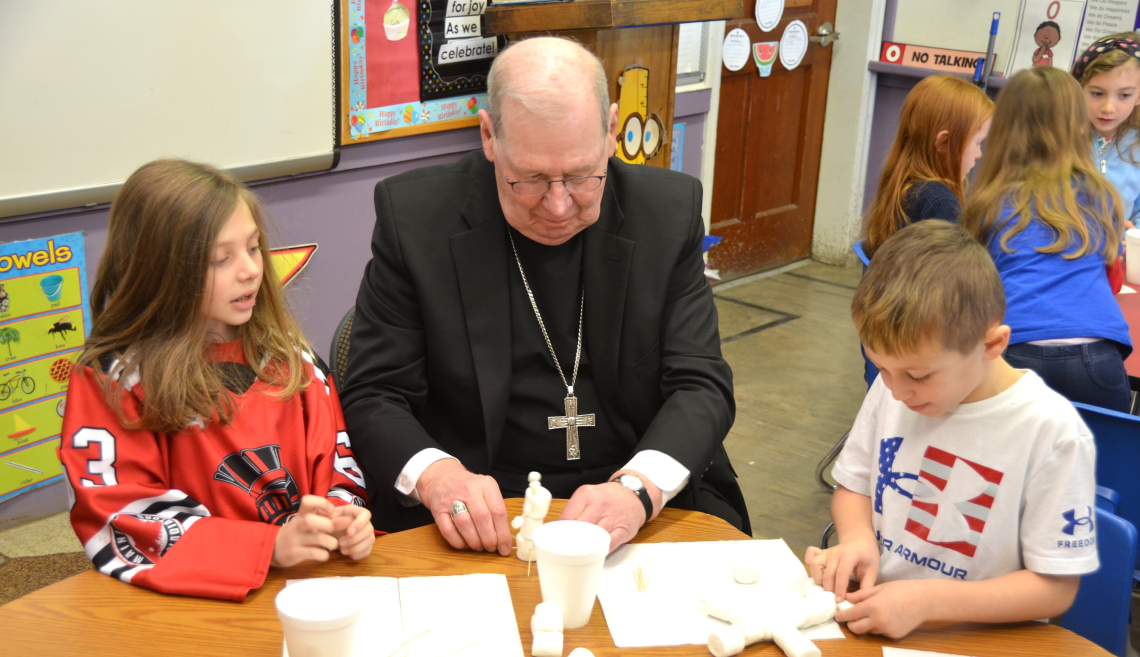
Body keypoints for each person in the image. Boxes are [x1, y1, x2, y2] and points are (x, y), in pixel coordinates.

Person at [340, 36, 748, 555]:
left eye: (580, 175)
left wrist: (638, 489)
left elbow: (702, 384)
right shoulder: (416, 218)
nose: (558, 206)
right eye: (529, 180)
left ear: (611, 133)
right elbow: (375, 391)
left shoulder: (667, 214)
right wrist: (437, 475)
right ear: (490, 138)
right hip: (481, 502)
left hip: (636, 489)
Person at [60, 160, 374, 601]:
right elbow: (123, 517)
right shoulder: (113, 381)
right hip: (185, 605)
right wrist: (269, 547)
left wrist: (343, 520)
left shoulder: (295, 363)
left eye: (252, 248)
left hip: (307, 591)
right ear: (160, 272)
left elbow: (338, 468)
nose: (249, 270)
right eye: (221, 259)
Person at [806, 220, 1096, 639]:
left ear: (992, 344)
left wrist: (927, 602)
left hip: (983, 638)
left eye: (918, 376)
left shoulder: (1051, 432)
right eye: (882, 368)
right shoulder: (894, 387)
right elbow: (855, 485)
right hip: (885, 623)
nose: (898, 390)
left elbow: (1055, 588)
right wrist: (856, 539)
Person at [961, 66, 1132, 412]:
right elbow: (1113, 275)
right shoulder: (1102, 195)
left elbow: (974, 286)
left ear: (1003, 129)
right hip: (1098, 355)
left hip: (1016, 348)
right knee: (1103, 460)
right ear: (1079, 126)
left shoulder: (987, 202)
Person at [862, 74, 993, 258]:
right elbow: (949, 278)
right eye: (978, 142)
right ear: (944, 143)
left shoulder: (902, 184)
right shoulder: (941, 203)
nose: (979, 154)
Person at [1073, 33, 1140, 229]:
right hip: (1062, 250)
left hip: (1117, 254)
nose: (1108, 107)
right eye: (1097, 93)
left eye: (1124, 95)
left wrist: (1135, 236)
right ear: (1079, 88)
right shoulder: (1061, 135)